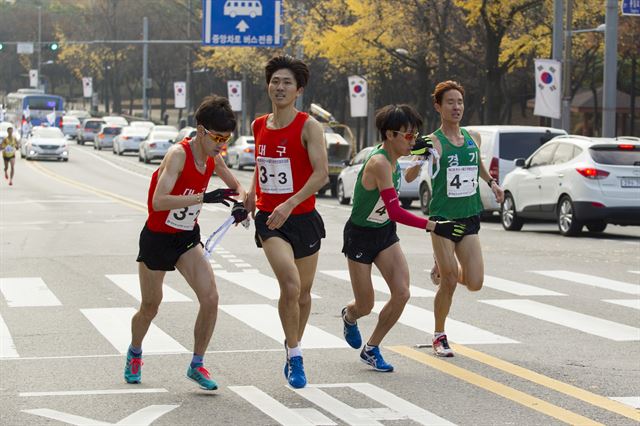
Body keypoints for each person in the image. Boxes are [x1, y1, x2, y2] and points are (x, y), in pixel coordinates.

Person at [124, 95, 248, 390]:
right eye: (218, 137)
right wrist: (203, 197)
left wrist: (240, 204)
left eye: (227, 139)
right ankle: (135, 352)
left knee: (211, 298)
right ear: (201, 130)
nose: (222, 145)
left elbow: (238, 186)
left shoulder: (214, 158)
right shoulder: (178, 155)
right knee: (151, 306)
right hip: (157, 238)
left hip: (186, 239)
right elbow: (158, 201)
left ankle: (197, 364)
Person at [340, 104, 467, 372]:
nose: (413, 140)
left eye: (415, 134)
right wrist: (434, 226)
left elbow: (420, 162)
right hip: (360, 235)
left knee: (402, 292)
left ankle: (372, 348)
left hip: (384, 233)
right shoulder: (379, 163)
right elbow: (396, 211)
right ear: (389, 135)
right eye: (407, 135)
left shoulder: (400, 153)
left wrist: (425, 153)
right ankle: (349, 316)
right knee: (365, 304)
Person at [245, 55, 329, 389]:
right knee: (290, 285)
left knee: (304, 294)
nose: (279, 88)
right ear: (268, 85)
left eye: (287, 83)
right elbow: (261, 163)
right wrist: (252, 193)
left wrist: (291, 203)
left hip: (303, 216)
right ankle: (295, 355)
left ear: (298, 90)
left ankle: (292, 341)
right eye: (275, 81)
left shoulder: (309, 126)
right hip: (270, 219)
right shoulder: (259, 124)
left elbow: (321, 174)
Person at [406, 81, 504, 357]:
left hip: (469, 216)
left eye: (459, 101)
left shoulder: (473, 136)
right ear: (438, 106)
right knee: (449, 281)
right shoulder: (429, 141)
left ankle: (443, 265)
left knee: (474, 282)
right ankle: (439, 335)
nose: (456, 107)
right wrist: (421, 158)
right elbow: (409, 176)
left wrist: (493, 183)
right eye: (450, 102)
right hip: (442, 220)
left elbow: (477, 164)